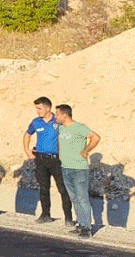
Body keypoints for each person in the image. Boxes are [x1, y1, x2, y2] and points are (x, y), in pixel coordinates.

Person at [23, 96, 73, 227]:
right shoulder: (36, 122)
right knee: (44, 188)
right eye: (36, 108)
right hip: (40, 159)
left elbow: (69, 133)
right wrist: (27, 151)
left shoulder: (58, 120)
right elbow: (27, 135)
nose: (37, 111)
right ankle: (45, 215)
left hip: (56, 160)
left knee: (63, 189)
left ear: (48, 108)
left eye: (39, 108)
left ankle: (68, 218)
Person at [54, 104, 101, 238]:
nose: (55, 117)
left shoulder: (79, 127)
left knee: (82, 198)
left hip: (79, 169)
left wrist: (85, 151)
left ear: (65, 115)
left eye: (57, 114)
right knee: (74, 198)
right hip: (66, 167)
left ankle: (87, 228)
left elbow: (96, 137)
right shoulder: (61, 128)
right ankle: (81, 224)